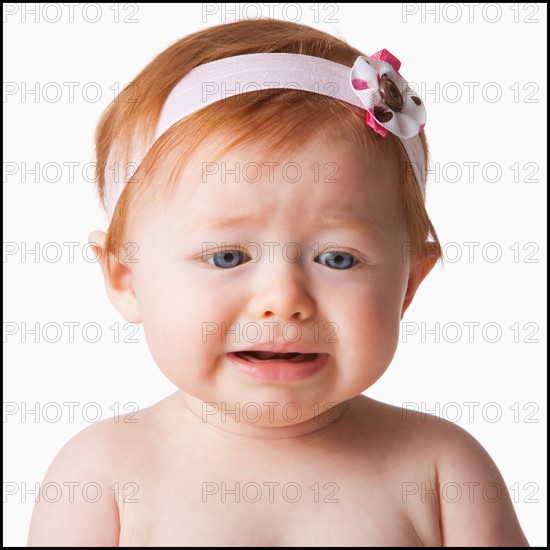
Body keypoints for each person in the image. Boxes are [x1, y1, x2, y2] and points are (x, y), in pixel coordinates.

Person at [28, 19, 529, 546]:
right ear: (124, 277)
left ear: (408, 284)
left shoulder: (445, 474)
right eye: (226, 256)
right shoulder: (100, 477)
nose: (283, 301)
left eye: (337, 258)